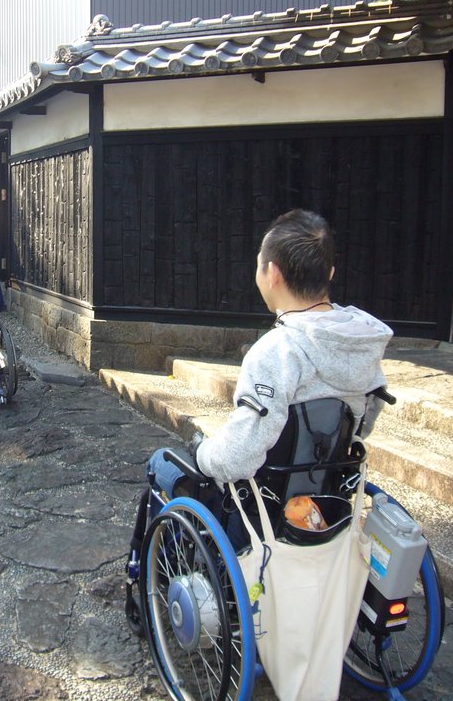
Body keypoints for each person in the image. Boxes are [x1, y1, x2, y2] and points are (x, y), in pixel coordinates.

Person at [147, 209, 393, 538]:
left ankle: (164, 565)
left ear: (272, 273)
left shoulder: (278, 351)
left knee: (162, 463)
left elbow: (236, 460)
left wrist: (202, 451)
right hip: (323, 506)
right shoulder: (362, 343)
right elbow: (362, 424)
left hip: (258, 514)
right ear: (330, 273)